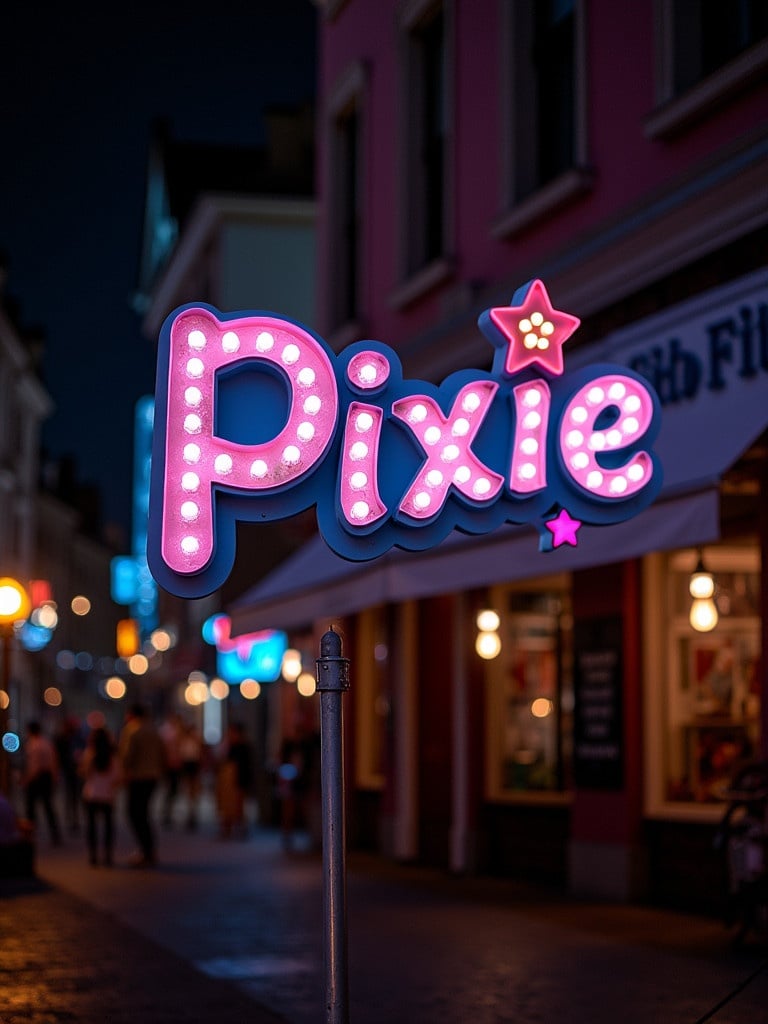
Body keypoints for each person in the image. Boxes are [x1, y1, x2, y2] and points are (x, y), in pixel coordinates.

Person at [119, 704, 165, 866]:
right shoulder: (153, 730)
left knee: (135, 813)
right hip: (153, 776)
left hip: (137, 777)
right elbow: (162, 753)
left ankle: (146, 851)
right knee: (144, 813)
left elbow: (127, 756)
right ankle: (149, 850)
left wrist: (123, 774)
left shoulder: (132, 730)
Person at [80, 726, 121, 866]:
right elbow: (117, 777)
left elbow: (85, 773)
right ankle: (108, 856)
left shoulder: (89, 753)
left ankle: (93, 856)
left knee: (91, 826)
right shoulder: (112, 756)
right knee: (108, 827)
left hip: (91, 794)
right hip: (108, 795)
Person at [23, 721, 62, 846]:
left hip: (37, 778)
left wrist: (27, 779)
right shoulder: (47, 743)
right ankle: (55, 834)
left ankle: (30, 834)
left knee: (31, 808)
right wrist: (55, 777)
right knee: (48, 806)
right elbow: (54, 762)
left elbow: (34, 766)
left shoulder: (32, 745)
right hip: (46, 778)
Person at [216, 721, 252, 839]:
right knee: (227, 807)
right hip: (228, 782)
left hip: (239, 780)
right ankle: (227, 829)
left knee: (238, 807)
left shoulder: (244, 747)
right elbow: (222, 761)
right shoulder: (229, 746)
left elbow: (246, 767)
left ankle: (240, 829)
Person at [178, 720, 204, 830]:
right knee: (188, 791)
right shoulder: (184, 742)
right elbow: (182, 755)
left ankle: (193, 813)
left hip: (194, 767)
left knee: (194, 792)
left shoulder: (197, 742)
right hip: (187, 766)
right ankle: (190, 813)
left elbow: (200, 755)